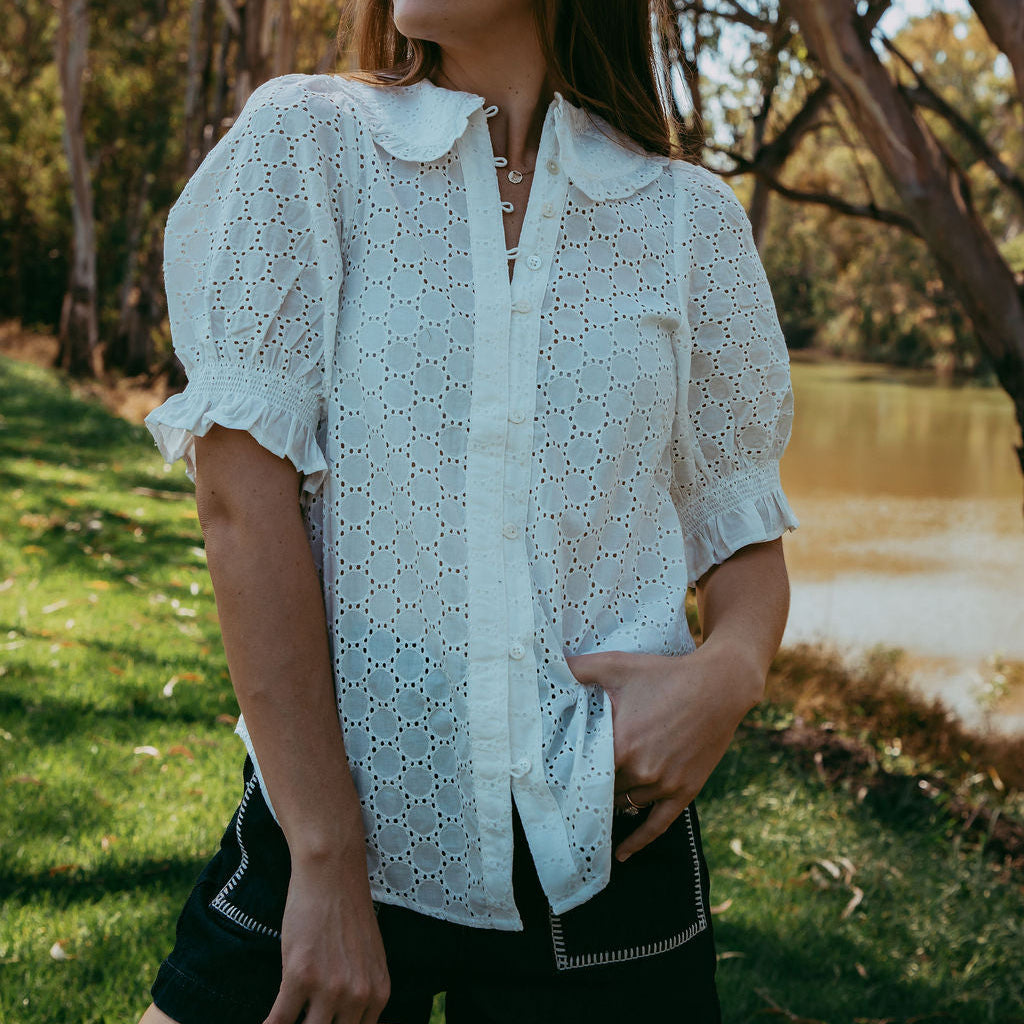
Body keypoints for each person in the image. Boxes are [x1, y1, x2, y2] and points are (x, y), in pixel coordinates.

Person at [137, 0, 798, 1021]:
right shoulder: (308, 142)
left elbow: (741, 525)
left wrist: (731, 670)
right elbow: (237, 499)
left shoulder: (687, 220)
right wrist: (323, 856)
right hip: (331, 824)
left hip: (606, 838)